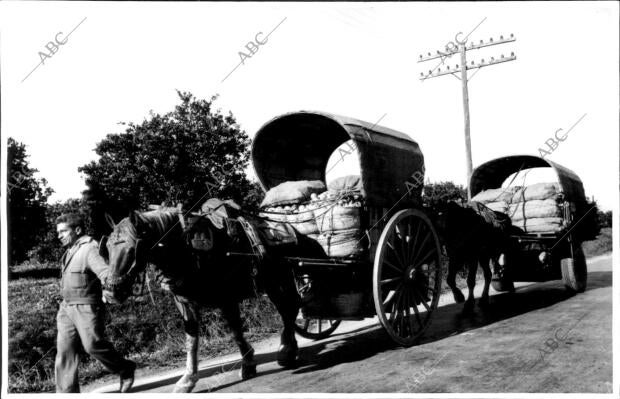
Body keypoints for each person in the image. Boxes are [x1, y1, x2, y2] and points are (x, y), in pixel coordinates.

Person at [54, 213, 136, 393]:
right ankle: (66, 393)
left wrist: (110, 289)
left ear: (77, 230)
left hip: (86, 306)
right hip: (66, 308)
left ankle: (124, 368)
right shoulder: (70, 250)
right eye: (58, 232)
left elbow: (106, 273)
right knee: (65, 352)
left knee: (92, 345)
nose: (59, 235)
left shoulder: (89, 248)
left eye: (63, 231)